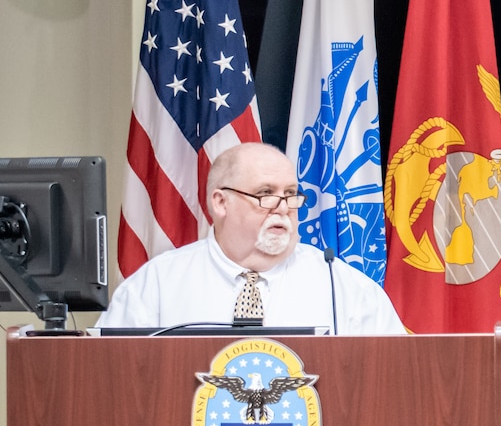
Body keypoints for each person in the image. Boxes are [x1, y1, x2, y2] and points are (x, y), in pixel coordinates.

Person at [101, 142, 406, 334]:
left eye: (290, 194)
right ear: (221, 203)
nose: (284, 208)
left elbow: (389, 377)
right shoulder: (158, 284)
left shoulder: (343, 287)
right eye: (265, 194)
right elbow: (111, 373)